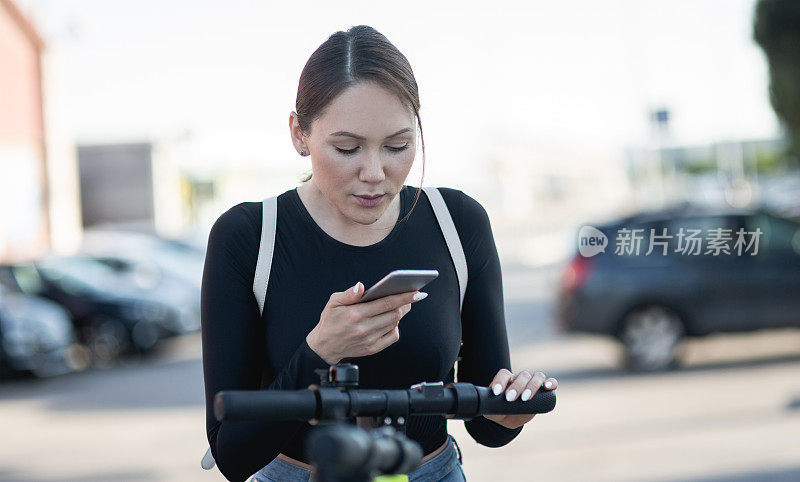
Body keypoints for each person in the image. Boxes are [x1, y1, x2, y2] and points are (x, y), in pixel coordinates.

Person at [201, 25, 558, 482]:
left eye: (398, 146)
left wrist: (511, 406)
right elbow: (232, 455)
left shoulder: (457, 221)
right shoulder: (249, 235)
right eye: (346, 148)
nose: (374, 172)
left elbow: (487, 428)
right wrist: (320, 351)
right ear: (299, 135)